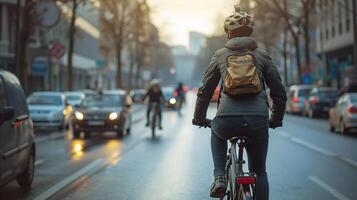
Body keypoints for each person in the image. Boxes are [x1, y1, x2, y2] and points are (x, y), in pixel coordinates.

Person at [192, 6, 287, 200]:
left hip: (227, 120)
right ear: (250, 32)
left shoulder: (220, 55)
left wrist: (199, 117)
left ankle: (219, 177)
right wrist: (275, 119)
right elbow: (279, 93)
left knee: (217, 132)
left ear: (228, 33)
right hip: (257, 121)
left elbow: (205, 90)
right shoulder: (262, 55)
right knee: (259, 171)